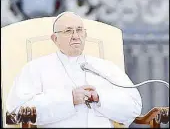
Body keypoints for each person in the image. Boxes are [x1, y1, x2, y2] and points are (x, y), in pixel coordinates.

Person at [6, 12, 142, 128]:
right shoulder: (35, 68)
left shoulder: (106, 67)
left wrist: (101, 99)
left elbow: (134, 107)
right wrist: (69, 99)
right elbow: (17, 111)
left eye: (79, 30)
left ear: (85, 34)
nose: (76, 36)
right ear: (55, 39)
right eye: (68, 31)